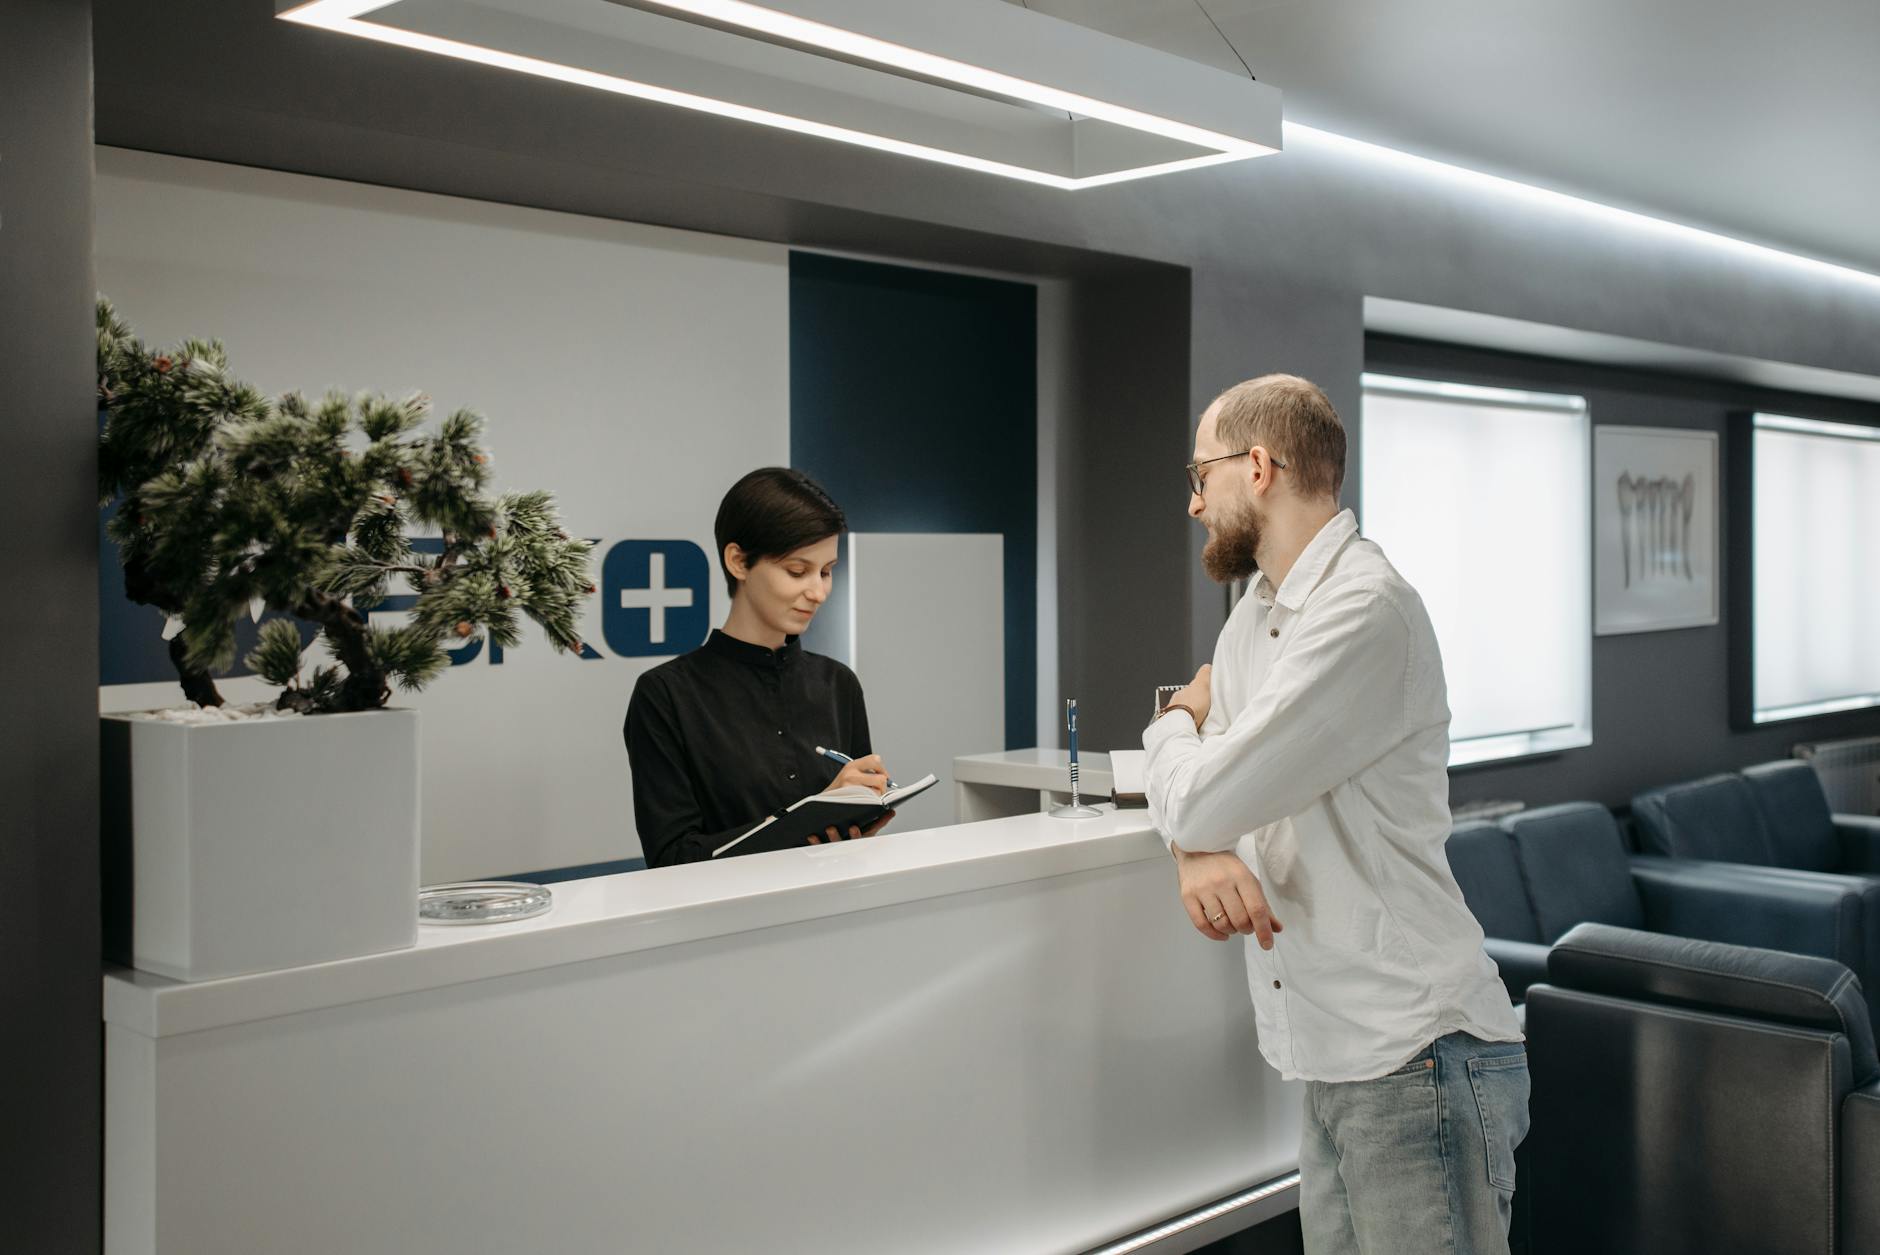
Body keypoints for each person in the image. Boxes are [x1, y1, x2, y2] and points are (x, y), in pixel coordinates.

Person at [1142, 375, 1528, 1255]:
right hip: (1329, 1056)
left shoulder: (1365, 610)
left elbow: (1202, 788)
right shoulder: (1253, 620)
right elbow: (1211, 801)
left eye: (1203, 473)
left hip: (1415, 1050)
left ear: (1261, 465)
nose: (1194, 500)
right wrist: (1192, 854)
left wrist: (1172, 719)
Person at [624, 467, 894, 866]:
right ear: (738, 562)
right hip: (728, 923)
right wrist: (811, 815)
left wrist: (861, 813)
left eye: (826, 571)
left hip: (834, 913)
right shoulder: (665, 695)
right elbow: (672, 858)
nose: (817, 592)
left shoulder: (839, 684)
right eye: (797, 571)